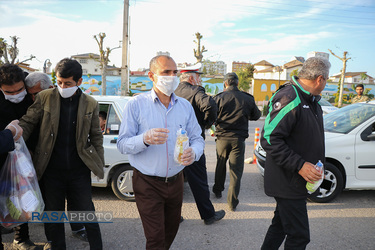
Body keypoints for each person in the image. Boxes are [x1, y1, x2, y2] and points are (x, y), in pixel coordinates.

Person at [117, 55, 204, 249]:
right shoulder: (136, 105)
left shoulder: (184, 106)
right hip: (148, 183)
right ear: (151, 75)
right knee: (155, 238)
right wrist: (145, 139)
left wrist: (194, 152)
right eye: (166, 72)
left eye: (174, 72)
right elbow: (122, 144)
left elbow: (198, 138)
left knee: (170, 232)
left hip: (176, 180)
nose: (171, 77)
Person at [19, 58, 104, 250]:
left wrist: (99, 165)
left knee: (87, 213)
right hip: (51, 170)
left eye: (68, 83)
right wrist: (14, 136)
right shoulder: (45, 97)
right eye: (59, 82)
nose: (63, 86)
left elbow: (96, 136)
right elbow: (28, 121)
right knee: (53, 216)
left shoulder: (90, 103)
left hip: (79, 170)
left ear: (79, 82)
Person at [260, 57, 330, 249]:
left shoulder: (312, 100)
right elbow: (269, 138)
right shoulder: (290, 97)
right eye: (327, 80)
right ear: (320, 79)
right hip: (287, 181)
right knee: (299, 237)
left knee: (280, 226)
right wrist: (299, 165)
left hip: (296, 182)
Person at [25, 72, 88, 243]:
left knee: (75, 199)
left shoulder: (65, 101)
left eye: (35, 94)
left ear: (49, 88)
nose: (32, 97)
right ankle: (54, 240)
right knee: (51, 204)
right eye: (29, 94)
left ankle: (78, 227)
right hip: (42, 162)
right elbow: (26, 125)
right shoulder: (32, 102)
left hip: (68, 162)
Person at [174, 64, 225, 225]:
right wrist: (206, 122)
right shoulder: (196, 91)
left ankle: (173, 216)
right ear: (191, 78)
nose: (200, 80)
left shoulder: (173, 91)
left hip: (174, 142)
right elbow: (210, 105)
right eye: (198, 77)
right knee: (199, 181)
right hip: (192, 143)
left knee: (175, 181)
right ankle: (208, 215)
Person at [0, 64, 38, 250]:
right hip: (1, 155)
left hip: (24, 157)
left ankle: (21, 238)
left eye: (19, 90)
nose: (16, 94)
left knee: (23, 196)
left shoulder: (32, 94)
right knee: (4, 197)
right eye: (9, 92)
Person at [212, 72, 261, 211]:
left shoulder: (218, 98)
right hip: (238, 140)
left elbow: (211, 116)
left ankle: (217, 189)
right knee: (236, 171)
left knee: (220, 164)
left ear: (225, 84)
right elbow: (256, 116)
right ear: (237, 83)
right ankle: (232, 202)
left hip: (222, 138)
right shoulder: (247, 98)